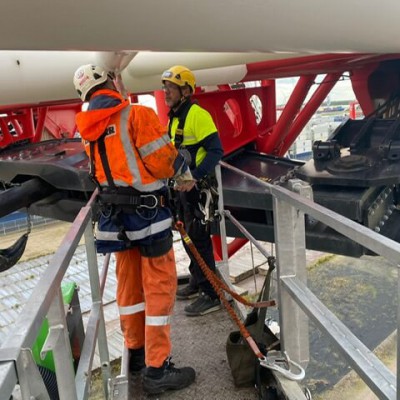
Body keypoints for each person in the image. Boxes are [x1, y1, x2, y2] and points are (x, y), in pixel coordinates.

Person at [73, 64, 196, 394]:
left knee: (129, 290)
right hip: (147, 218)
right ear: (111, 82)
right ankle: (158, 369)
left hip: (115, 221)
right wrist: (182, 169)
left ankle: (137, 354)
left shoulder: (87, 128)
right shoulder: (136, 115)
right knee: (159, 287)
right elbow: (160, 160)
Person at [161, 65, 224, 317]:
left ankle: (212, 294)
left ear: (185, 91)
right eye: (165, 87)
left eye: (171, 88)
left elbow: (216, 150)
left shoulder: (198, 115)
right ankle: (198, 280)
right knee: (187, 236)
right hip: (181, 189)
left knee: (199, 238)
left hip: (196, 190)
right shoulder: (175, 117)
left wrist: (195, 178)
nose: (166, 92)